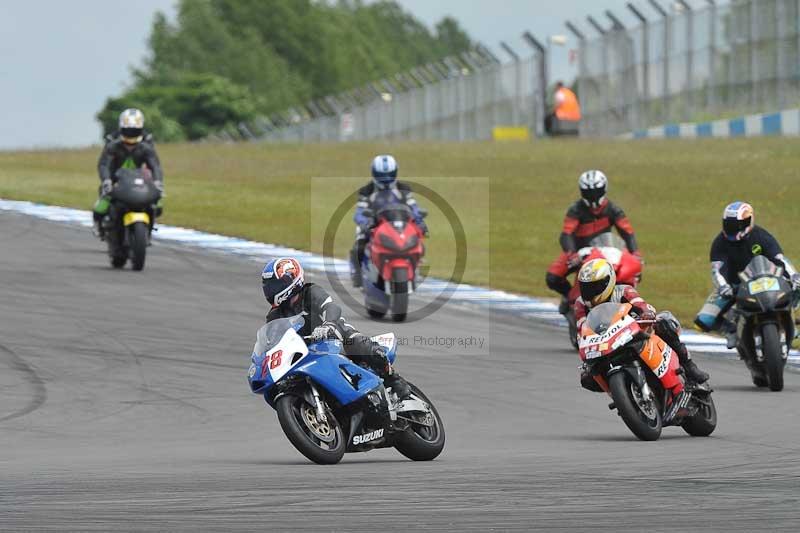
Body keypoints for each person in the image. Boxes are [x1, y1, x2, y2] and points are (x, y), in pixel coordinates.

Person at [263, 256, 411, 399]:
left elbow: (330, 307)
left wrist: (328, 324)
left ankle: (394, 379)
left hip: (339, 337)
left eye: (275, 285)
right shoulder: (274, 316)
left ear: (291, 279)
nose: (270, 290)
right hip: (308, 353)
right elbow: (272, 342)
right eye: (268, 286)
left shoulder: (310, 292)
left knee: (362, 347)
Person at [575, 258, 709, 389]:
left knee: (664, 322)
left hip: (633, 333)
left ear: (608, 281)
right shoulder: (580, 304)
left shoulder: (623, 291)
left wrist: (646, 313)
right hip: (605, 344)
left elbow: (640, 304)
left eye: (595, 286)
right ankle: (625, 398)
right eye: (585, 287)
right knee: (587, 378)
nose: (590, 292)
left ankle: (689, 365)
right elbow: (582, 329)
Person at [694, 201, 800, 348]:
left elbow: (779, 259)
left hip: (766, 279)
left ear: (749, 221)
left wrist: (794, 276)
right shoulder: (720, 243)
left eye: (737, 224)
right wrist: (724, 287)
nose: (732, 229)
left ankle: (788, 317)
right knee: (703, 321)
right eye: (728, 224)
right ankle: (731, 331)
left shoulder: (762, 236)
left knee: (798, 285)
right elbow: (717, 270)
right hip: (734, 285)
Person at [546, 170, 641, 312]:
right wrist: (572, 254)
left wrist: (635, 253)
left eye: (596, 191)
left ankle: (626, 303)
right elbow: (567, 234)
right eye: (589, 192)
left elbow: (627, 232)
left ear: (604, 189)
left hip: (606, 250)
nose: (593, 196)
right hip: (578, 252)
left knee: (633, 270)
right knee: (552, 277)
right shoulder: (576, 210)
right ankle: (569, 299)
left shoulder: (613, 209)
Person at [349, 154, 428, 287]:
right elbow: (359, 213)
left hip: (399, 224)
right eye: (381, 176)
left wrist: (419, 222)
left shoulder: (404, 189)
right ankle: (357, 275)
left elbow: (414, 208)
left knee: (419, 243)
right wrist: (364, 222)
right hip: (374, 225)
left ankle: (415, 268)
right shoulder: (366, 191)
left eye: (390, 175)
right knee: (359, 245)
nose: (386, 179)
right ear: (374, 173)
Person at [93, 108, 164, 238]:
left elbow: (155, 165)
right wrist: (107, 180)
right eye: (128, 130)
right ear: (121, 128)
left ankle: (148, 229)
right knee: (101, 205)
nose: (131, 134)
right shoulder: (112, 144)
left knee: (157, 203)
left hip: (140, 177)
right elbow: (104, 164)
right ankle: (100, 225)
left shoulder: (146, 144)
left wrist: (158, 182)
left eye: (135, 131)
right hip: (117, 178)